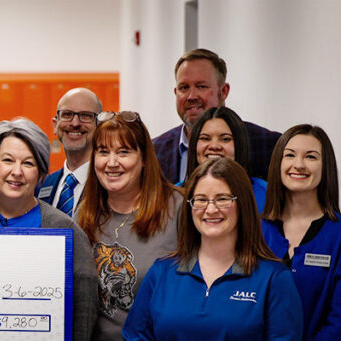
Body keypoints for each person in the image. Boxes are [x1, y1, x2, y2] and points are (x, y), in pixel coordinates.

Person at [123, 158, 303, 340]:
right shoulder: (162, 272)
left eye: (223, 199)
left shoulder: (274, 278)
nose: (210, 209)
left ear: (243, 204)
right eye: (201, 199)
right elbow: (134, 336)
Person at [0, 118, 98, 340]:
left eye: (28, 163)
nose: (16, 172)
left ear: (41, 172)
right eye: (7, 160)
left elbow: (84, 312)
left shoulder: (65, 230)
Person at [73, 111, 183, 340]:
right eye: (103, 152)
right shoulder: (85, 213)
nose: (112, 163)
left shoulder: (177, 208)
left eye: (123, 152)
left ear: (143, 158)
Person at [260, 125, 341, 340]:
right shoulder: (256, 229)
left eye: (311, 157)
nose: (298, 165)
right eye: (289, 155)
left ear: (325, 167)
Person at [152, 48, 280, 183]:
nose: (191, 96)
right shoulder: (155, 151)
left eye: (201, 86)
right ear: (175, 92)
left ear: (224, 91)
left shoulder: (268, 146)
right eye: (184, 88)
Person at [180, 106, 267, 213]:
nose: (214, 146)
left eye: (225, 139)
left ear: (240, 145)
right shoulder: (175, 196)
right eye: (205, 138)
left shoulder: (266, 194)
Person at [36, 88, 102, 216]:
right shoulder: (42, 186)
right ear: (55, 125)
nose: (75, 123)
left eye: (85, 115)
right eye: (67, 114)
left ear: (99, 126)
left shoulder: (109, 184)